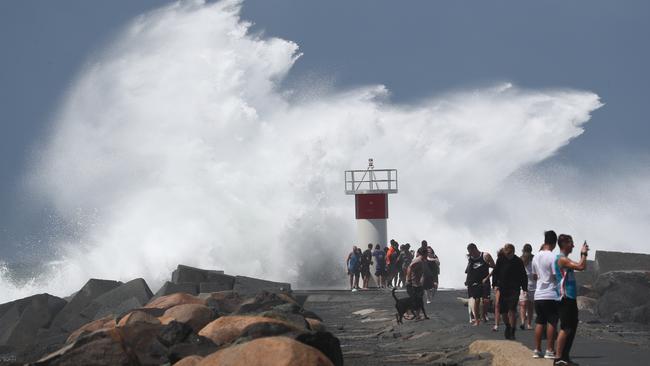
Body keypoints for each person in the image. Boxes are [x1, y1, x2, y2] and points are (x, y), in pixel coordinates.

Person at [553, 235, 589, 366]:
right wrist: (584, 254)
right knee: (566, 327)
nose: (573, 245)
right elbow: (581, 266)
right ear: (564, 244)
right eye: (571, 243)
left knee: (571, 327)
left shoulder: (564, 259)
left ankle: (565, 357)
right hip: (565, 297)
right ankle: (558, 358)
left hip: (570, 297)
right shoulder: (561, 259)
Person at [531, 230, 560, 359]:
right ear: (554, 243)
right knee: (552, 322)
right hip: (550, 294)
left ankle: (537, 350)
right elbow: (555, 275)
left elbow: (534, 275)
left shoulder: (536, 256)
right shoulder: (553, 257)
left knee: (539, 322)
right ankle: (549, 350)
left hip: (538, 294)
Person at [492, 243, 528, 340]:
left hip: (514, 289)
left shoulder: (518, 261)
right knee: (503, 311)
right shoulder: (501, 260)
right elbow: (495, 273)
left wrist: (524, 288)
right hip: (503, 288)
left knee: (512, 309)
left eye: (509, 253)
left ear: (513, 252)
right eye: (506, 253)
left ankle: (512, 330)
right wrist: (494, 284)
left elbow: (523, 275)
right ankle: (508, 326)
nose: (507, 255)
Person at [465, 243, 496, 326]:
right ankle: (477, 320)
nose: (471, 254)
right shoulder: (471, 258)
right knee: (477, 300)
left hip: (485, 281)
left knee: (486, 301)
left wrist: (487, 277)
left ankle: (484, 314)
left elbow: (495, 267)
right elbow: (469, 270)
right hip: (475, 281)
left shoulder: (486, 255)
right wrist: (467, 280)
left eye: (471, 252)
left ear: (475, 249)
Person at [405, 247, 429, 320]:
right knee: (413, 300)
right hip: (412, 283)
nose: (427, 255)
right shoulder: (417, 260)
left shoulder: (423, 260)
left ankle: (418, 316)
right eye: (427, 253)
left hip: (418, 284)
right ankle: (407, 314)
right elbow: (409, 268)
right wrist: (409, 280)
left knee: (419, 300)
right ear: (424, 254)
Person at [519, 243, 536, 330]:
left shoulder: (534, 259)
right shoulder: (521, 259)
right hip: (523, 285)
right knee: (523, 304)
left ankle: (529, 323)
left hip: (533, 285)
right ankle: (522, 322)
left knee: (530, 305)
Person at [489, 248, 505, 331]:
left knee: (507, 306)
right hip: (499, 286)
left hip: (509, 287)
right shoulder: (499, 262)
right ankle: (496, 325)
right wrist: (494, 285)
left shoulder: (512, 262)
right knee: (497, 304)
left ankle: (509, 323)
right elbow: (495, 273)